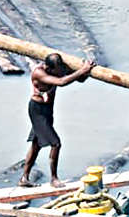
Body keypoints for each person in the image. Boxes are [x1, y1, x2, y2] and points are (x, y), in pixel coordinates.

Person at [21, 52, 94, 186]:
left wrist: (87, 70)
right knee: (56, 144)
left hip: (48, 110)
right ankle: (54, 179)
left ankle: (24, 179)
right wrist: (83, 70)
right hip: (37, 110)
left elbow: (80, 79)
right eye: (57, 70)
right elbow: (61, 82)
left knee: (36, 145)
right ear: (49, 68)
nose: (60, 72)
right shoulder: (39, 72)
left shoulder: (58, 69)